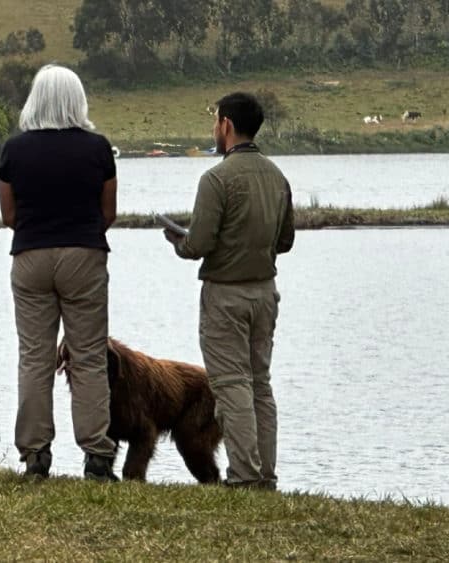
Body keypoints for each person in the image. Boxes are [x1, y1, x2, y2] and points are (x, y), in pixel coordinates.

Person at [163, 92, 294, 490]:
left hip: (225, 296)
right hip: (265, 293)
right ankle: (265, 474)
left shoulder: (216, 179)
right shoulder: (277, 176)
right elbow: (285, 241)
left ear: (227, 126)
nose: (214, 129)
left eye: (216, 121)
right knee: (260, 384)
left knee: (231, 384)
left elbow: (198, 244)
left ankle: (243, 475)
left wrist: (177, 241)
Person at [0, 64, 120, 482]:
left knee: (35, 357)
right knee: (87, 357)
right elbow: (109, 212)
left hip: (30, 255)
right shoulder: (98, 148)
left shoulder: (15, 150)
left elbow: (9, 214)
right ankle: (98, 455)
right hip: (84, 254)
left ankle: (35, 455)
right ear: (78, 99)